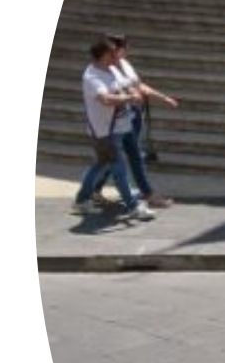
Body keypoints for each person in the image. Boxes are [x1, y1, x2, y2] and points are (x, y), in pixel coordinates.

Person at [73, 36, 153, 221]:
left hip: (123, 125)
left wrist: (132, 92)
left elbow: (125, 86)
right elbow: (106, 99)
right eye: (112, 53)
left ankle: (81, 200)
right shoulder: (92, 76)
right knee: (119, 168)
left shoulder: (111, 69)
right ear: (101, 55)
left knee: (101, 164)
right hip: (106, 130)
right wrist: (129, 99)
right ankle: (133, 205)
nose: (116, 56)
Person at [107, 32, 179, 205]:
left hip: (133, 116)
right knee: (131, 156)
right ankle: (147, 194)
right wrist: (131, 95)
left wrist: (163, 98)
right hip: (118, 118)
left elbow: (139, 85)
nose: (125, 51)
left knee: (125, 156)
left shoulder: (125, 64)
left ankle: (94, 189)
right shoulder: (107, 70)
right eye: (123, 48)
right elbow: (113, 92)